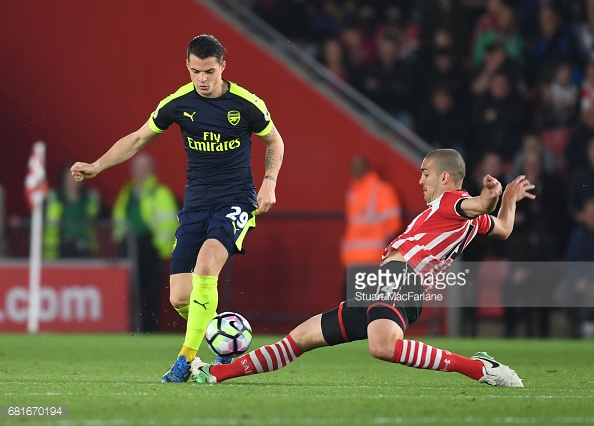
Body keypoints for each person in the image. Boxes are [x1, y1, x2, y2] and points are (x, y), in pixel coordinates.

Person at [192, 149, 533, 387]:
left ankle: (477, 368)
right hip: (381, 282)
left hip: (402, 280)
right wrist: (508, 201)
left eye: (425, 173)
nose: (421, 181)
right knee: (301, 337)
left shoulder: (450, 202)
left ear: (445, 177)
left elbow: (476, 203)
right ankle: (217, 374)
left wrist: (491, 195)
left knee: (381, 346)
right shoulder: (465, 219)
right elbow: (502, 228)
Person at [70, 34, 285, 382]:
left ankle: (185, 360)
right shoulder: (178, 103)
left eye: (210, 72)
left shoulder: (246, 104)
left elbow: (274, 139)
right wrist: (98, 165)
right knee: (181, 297)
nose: (202, 79)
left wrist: (270, 180)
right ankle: (224, 332)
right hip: (196, 204)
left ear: (223, 67)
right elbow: (139, 137)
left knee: (206, 264)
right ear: (187, 66)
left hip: (235, 200)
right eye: (196, 71)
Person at [112, 152, 178, 333]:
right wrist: (120, 243)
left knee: (150, 295)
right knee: (129, 293)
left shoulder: (159, 193)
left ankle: (150, 330)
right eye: (135, 169)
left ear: (151, 171)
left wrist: (161, 251)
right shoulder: (128, 193)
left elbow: (169, 224)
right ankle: (131, 329)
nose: (137, 173)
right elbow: (118, 218)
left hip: (151, 251)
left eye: (141, 169)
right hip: (129, 250)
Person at [340, 156, 402, 268]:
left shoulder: (382, 190)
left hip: (373, 258)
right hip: (354, 258)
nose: (353, 171)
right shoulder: (353, 191)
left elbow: (394, 224)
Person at [43, 163, 105, 259]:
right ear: (63, 179)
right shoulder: (54, 197)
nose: (72, 181)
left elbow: (105, 215)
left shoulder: (90, 197)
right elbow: (39, 214)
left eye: (75, 176)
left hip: (84, 244)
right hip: (58, 246)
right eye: (69, 177)